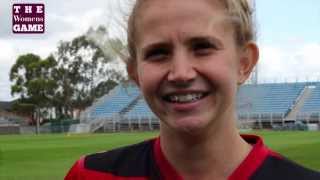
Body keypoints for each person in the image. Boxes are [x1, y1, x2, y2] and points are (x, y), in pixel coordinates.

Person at [65, 0, 320, 179]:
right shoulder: (90, 175)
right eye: (158, 53)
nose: (181, 73)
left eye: (202, 47)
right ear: (135, 73)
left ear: (244, 62)